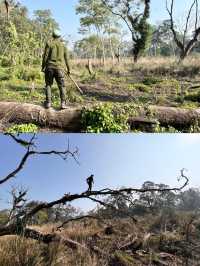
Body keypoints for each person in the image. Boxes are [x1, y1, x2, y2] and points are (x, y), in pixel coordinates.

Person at [42, 30, 71, 109]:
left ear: (53, 36)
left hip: (49, 67)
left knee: (48, 85)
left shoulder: (49, 44)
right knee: (62, 86)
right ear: (59, 36)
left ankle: (48, 103)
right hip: (59, 68)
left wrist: (43, 67)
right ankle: (63, 103)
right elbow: (67, 59)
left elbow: (45, 57)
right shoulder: (63, 46)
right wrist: (69, 69)